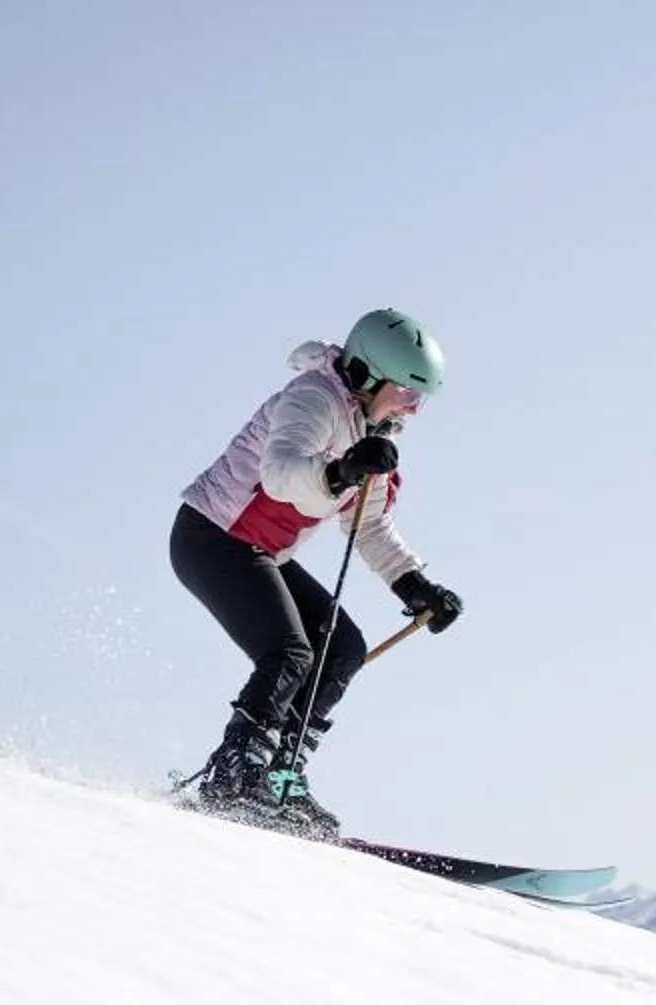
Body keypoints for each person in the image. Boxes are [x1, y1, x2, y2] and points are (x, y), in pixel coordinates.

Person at [170, 307, 465, 834]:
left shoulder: (374, 429)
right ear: (368, 374)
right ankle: (234, 776)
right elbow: (281, 476)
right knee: (289, 652)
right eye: (407, 392)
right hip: (211, 538)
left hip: (262, 551)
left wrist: (416, 585)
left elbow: (368, 525)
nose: (414, 409)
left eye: (421, 399)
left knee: (342, 647)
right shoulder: (314, 399)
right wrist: (342, 469)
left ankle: (280, 775)